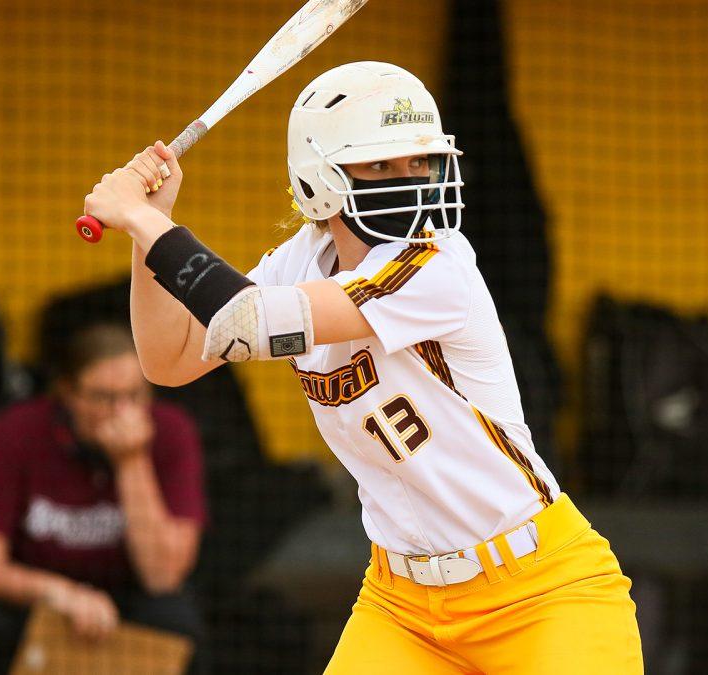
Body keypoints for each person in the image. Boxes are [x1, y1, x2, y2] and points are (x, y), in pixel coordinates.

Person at [81, 61, 643, 673]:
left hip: (541, 590)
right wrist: (146, 237)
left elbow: (250, 320)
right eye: (380, 166)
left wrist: (146, 219)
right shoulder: (301, 260)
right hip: (403, 607)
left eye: (417, 162)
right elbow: (169, 359)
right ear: (319, 178)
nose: (409, 181)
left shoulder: (438, 265)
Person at [0, 323, 207, 674]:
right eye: (103, 397)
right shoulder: (18, 431)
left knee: (176, 621)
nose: (122, 412)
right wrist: (60, 594)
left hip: (125, 596)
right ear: (67, 393)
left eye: (135, 395)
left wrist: (131, 462)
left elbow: (163, 577)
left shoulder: (172, 432)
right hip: (37, 594)